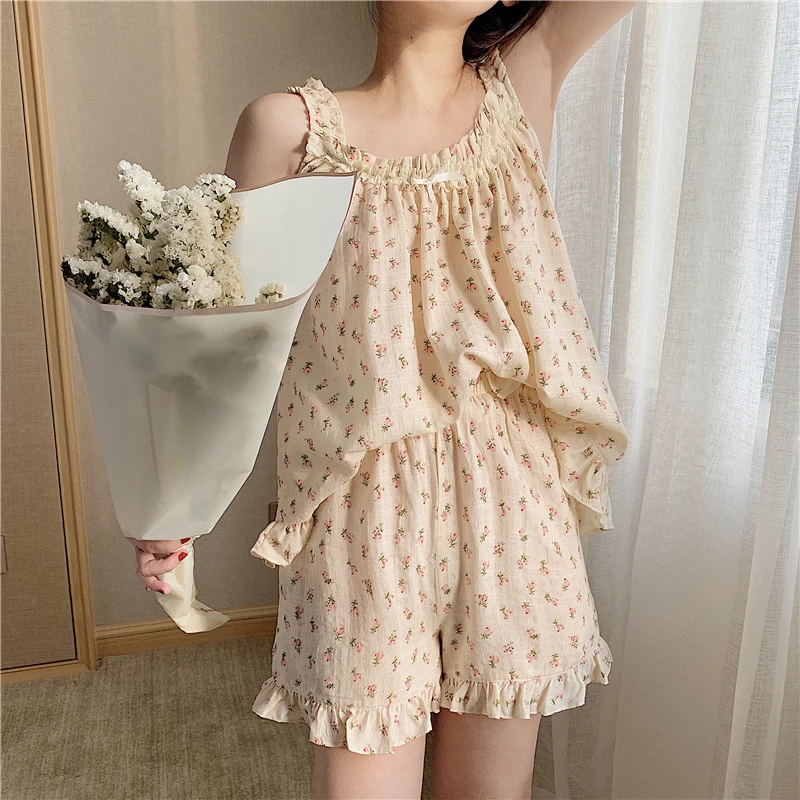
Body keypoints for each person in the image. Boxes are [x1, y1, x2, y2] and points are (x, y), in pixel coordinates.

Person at [129, 2, 638, 797]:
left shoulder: (524, 79)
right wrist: (174, 500)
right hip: (358, 508)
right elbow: (227, 344)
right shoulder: (285, 129)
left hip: (514, 503)